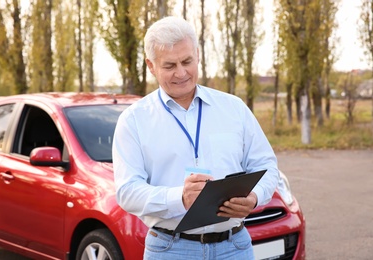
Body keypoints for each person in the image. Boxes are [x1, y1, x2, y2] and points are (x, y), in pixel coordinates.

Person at [112, 16, 279, 260]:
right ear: (151, 65)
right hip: (171, 250)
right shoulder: (134, 120)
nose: (181, 73)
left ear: (198, 55)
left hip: (235, 247)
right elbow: (127, 192)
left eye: (187, 61)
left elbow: (266, 166)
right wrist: (179, 198)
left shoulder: (234, 108)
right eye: (169, 66)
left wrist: (255, 197)